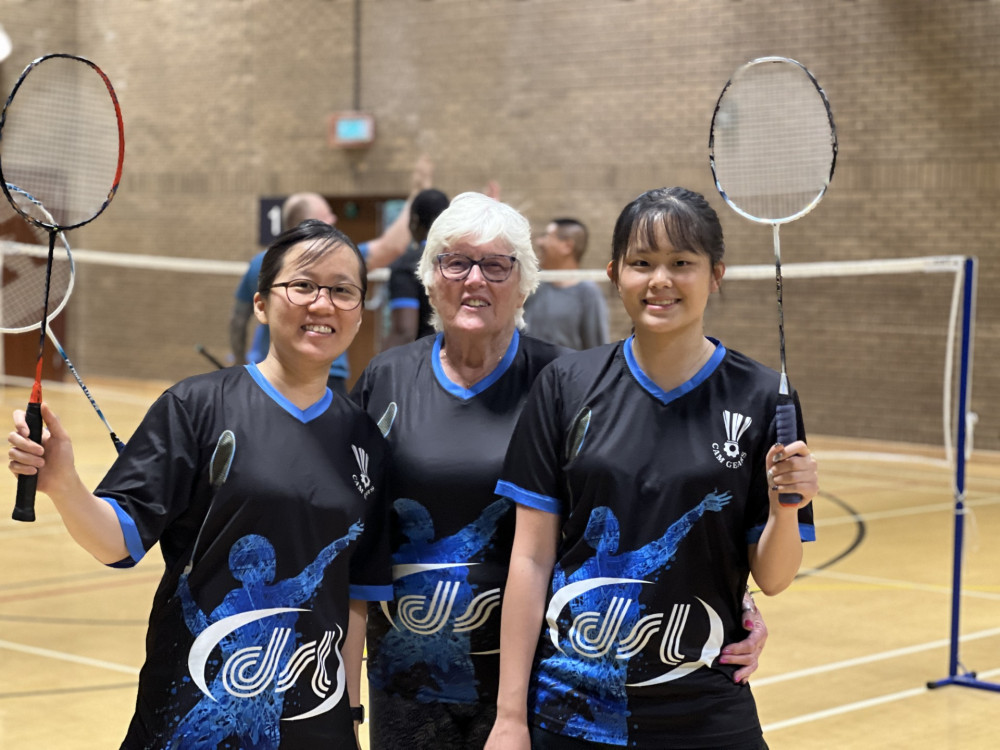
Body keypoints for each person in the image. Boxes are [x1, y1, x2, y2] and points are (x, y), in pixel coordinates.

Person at [350, 192, 769, 750]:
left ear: (525, 283)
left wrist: (736, 600)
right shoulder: (386, 379)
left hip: (531, 676)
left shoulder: (563, 380)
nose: (475, 280)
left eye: (497, 265)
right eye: (455, 262)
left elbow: (636, 492)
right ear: (429, 276)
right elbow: (349, 527)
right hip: (408, 672)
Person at [9, 220, 393, 749]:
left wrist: (349, 711)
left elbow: (353, 593)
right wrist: (63, 484)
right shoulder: (196, 406)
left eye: (343, 290)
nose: (322, 303)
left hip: (314, 722)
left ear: (358, 311)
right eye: (303, 285)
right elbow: (118, 541)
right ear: (261, 303)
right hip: (191, 711)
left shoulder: (364, 438)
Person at [485, 187, 819, 750]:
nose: (660, 280)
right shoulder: (566, 386)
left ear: (716, 274)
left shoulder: (764, 396)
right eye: (642, 263)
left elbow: (775, 577)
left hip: (706, 703)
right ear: (615, 273)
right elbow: (532, 555)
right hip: (574, 706)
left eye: (681, 263)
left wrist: (790, 508)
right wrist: (510, 717)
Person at [230, 156, 433, 392]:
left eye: (340, 289)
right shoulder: (336, 262)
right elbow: (391, 247)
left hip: (278, 373)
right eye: (328, 217)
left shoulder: (261, 262)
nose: (335, 220)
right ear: (311, 223)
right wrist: (418, 191)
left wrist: (237, 359)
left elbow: (237, 320)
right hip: (297, 375)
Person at [523, 218, 609, 350]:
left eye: (546, 236)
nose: (539, 242)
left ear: (567, 246)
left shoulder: (588, 293)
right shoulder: (532, 285)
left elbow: (597, 349)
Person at [381, 188, 450, 350]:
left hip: (426, 363)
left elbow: (404, 332)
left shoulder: (407, 265)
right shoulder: (465, 261)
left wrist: (378, 368)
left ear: (414, 220)